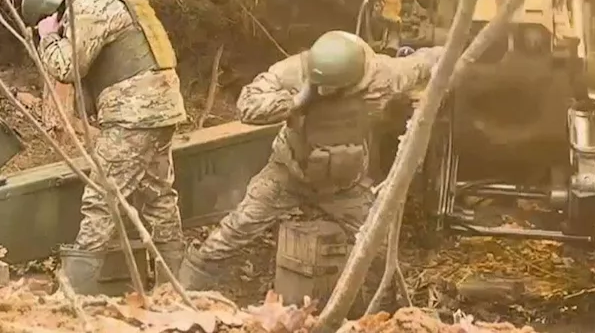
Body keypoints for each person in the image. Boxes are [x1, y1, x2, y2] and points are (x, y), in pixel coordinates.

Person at [178, 30, 443, 290]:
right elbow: (247, 107)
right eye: (321, 85)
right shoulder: (294, 71)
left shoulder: (384, 75)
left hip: (345, 188)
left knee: (378, 247)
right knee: (237, 228)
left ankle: (379, 311)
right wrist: (294, 102)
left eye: (332, 87)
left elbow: (426, 62)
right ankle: (185, 291)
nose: (325, 91)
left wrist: (450, 53)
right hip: (289, 175)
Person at [21, 0, 187, 295]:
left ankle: (72, 297)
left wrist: (49, 37)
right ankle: (177, 288)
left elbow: (67, 66)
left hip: (134, 117)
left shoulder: (89, 8)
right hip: (162, 111)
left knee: (101, 200)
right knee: (158, 199)